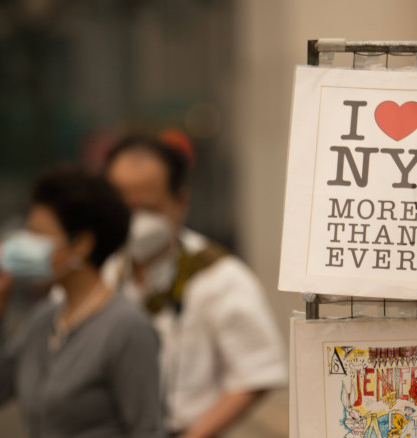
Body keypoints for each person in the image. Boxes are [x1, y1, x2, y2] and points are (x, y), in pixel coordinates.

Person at [102, 131, 286, 437]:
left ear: (180, 202)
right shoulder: (104, 273)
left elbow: (258, 372)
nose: (135, 222)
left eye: (148, 208)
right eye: (124, 209)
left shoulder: (220, 276)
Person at [0, 165, 165, 438]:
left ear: (81, 244)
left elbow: (147, 429)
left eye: (39, 235)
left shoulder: (126, 329)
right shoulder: (44, 320)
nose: (26, 244)